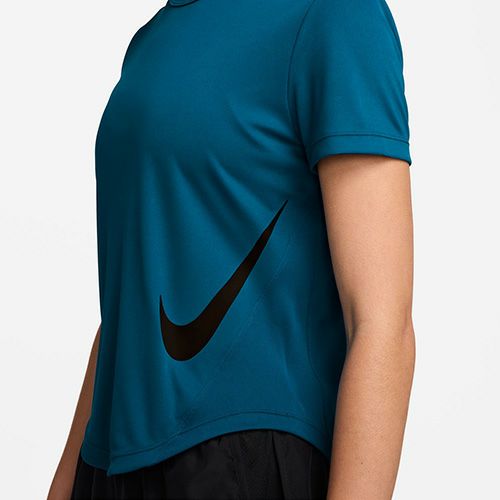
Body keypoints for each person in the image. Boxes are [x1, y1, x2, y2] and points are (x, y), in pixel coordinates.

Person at [48, 0, 415, 498]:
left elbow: (382, 325)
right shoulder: (154, 38)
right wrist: (66, 483)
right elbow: (131, 305)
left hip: (243, 458)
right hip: (111, 460)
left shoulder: (335, 15)